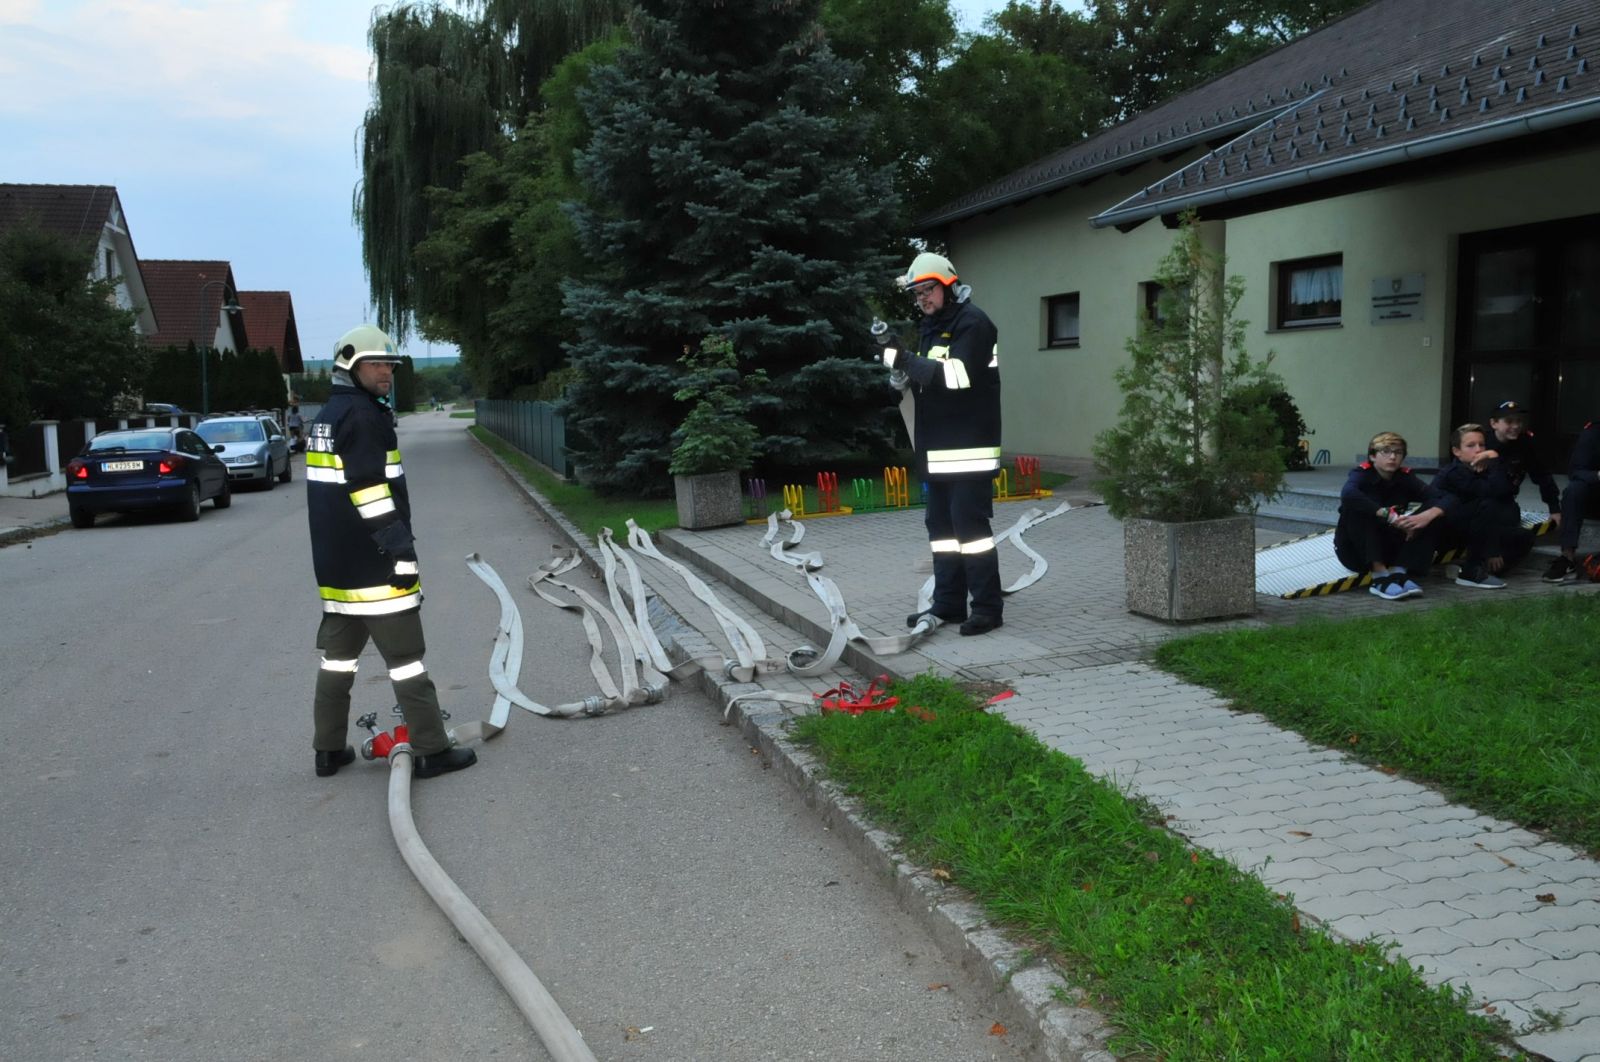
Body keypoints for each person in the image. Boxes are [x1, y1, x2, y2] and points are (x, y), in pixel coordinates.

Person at [304, 324, 476, 779]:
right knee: (406, 662)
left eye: (390, 364)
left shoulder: (327, 416)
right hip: (376, 566)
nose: (386, 372)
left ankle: (327, 750)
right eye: (376, 364)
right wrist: (401, 553)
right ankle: (432, 750)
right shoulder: (363, 418)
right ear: (350, 366)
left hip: (337, 571)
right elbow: (370, 494)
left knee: (337, 662)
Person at [880, 252, 1004, 635]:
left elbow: (958, 376)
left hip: (970, 449)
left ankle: (987, 609)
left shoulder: (974, 323)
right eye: (917, 294)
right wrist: (901, 377)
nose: (923, 299)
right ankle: (949, 604)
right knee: (942, 532)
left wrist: (906, 359)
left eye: (928, 290)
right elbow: (927, 377)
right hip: (939, 450)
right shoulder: (932, 326)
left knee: (971, 531)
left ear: (948, 285)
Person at [1334, 431, 1451, 600]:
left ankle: (1399, 571)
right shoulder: (1361, 475)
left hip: (1390, 548)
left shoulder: (1405, 478)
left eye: (1398, 452)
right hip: (1357, 553)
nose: (1392, 457)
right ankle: (1379, 577)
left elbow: (1442, 497)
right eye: (1386, 451)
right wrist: (1387, 514)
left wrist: (1425, 517)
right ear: (1373, 456)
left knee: (1434, 511)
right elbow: (1348, 494)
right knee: (1356, 508)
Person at [1430, 423, 1532, 589]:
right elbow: (1489, 497)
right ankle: (1471, 571)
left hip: (1476, 528)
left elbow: (1507, 492)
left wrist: (1493, 463)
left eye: (1482, 445)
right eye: (1470, 446)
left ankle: (1476, 569)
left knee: (1524, 536)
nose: (1478, 450)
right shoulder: (1454, 473)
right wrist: (1493, 549)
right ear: (1456, 451)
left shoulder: (1483, 468)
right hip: (1447, 533)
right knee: (1488, 505)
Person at [1485, 400, 1561, 525]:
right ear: (1494, 423)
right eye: (1509, 421)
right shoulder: (1480, 443)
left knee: (1510, 519)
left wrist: (1554, 508)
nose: (1516, 426)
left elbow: (1542, 474)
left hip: (1506, 500)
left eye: (1519, 421)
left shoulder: (1524, 443)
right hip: (1478, 498)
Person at [1544, 417, 1600, 583]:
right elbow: (1576, 471)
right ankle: (1567, 558)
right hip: (1595, 497)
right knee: (1574, 490)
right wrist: (1598, 475)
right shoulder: (1593, 433)